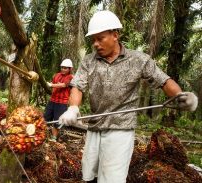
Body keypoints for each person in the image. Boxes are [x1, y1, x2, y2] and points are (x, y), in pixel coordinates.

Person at [58, 10, 198, 183]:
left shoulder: (138, 60)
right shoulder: (88, 61)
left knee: (111, 179)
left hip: (121, 129)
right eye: (93, 40)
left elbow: (164, 81)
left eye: (100, 38)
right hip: (94, 126)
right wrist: (73, 108)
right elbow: (77, 87)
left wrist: (181, 96)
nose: (95, 44)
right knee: (89, 173)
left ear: (115, 35)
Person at [44, 59, 74, 142]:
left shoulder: (71, 77)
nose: (63, 69)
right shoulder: (56, 75)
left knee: (58, 121)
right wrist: (49, 84)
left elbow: (64, 85)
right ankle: (42, 135)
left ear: (70, 69)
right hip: (52, 101)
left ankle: (54, 138)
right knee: (45, 118)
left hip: (62, 103)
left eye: (65, 68)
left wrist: (51, 85)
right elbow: (52, 84)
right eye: (62, 68)